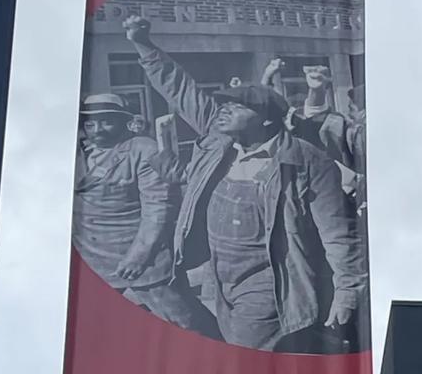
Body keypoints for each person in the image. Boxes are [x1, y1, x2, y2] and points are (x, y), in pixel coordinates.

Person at [122, 17, 368, 353]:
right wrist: (143, 44)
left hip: (269, 281)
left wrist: (347, 291)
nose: (222, 111)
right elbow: (181, 90)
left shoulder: (306, 162)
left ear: (265, 117)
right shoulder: (219, 140)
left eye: (236, 106)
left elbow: (339, 233)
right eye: (223, 105)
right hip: (217, 274)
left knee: (244, 353)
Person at [73, 93, 209, 331]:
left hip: (138, 255)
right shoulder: (76, 150)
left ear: (124, 122)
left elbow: (158, 207)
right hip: (89, 255)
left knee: (182, 319)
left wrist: (138, 256)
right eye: (90, 123)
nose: (97, 130)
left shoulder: (143, 149)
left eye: (107, 121)